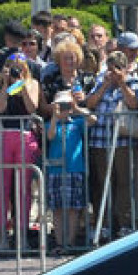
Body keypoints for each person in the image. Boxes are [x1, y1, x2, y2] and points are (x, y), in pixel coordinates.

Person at [84, 50, 138, 237]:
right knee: (103, 182)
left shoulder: (133, 81)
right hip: (100, 140)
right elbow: (90, 103)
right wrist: (105, 85)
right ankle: (105, 223)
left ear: (126, 67)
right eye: (111, 68)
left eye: (118, 68)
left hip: (123, 140)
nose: (113, 72)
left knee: (124, 182)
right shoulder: (100, 81)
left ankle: (125, 223)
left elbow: (135, 103)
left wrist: (121, 82)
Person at [0, 52, 41, 247]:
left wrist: (22, 85)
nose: (17, 68)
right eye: (12, 65)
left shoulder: (32, 84)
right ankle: (1, 237)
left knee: (23, 188)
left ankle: (22, 236)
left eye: (20, 65)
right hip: (2, 134)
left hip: (24, 134)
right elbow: (0, 108)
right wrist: (4, 84)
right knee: (2, 188)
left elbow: (32, 107)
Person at [44, 89, 92, 251]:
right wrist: (54, 117)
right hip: (55, 170)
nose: (64, 108)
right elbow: (50, 136)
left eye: (66, 105)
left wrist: (77, 109)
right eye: (61, 105)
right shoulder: (50, 123)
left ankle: (70, 243)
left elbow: (93, 119)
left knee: (73, 208)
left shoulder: (77, 122)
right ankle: (59, 243)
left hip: (74, 168)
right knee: (57, 208)